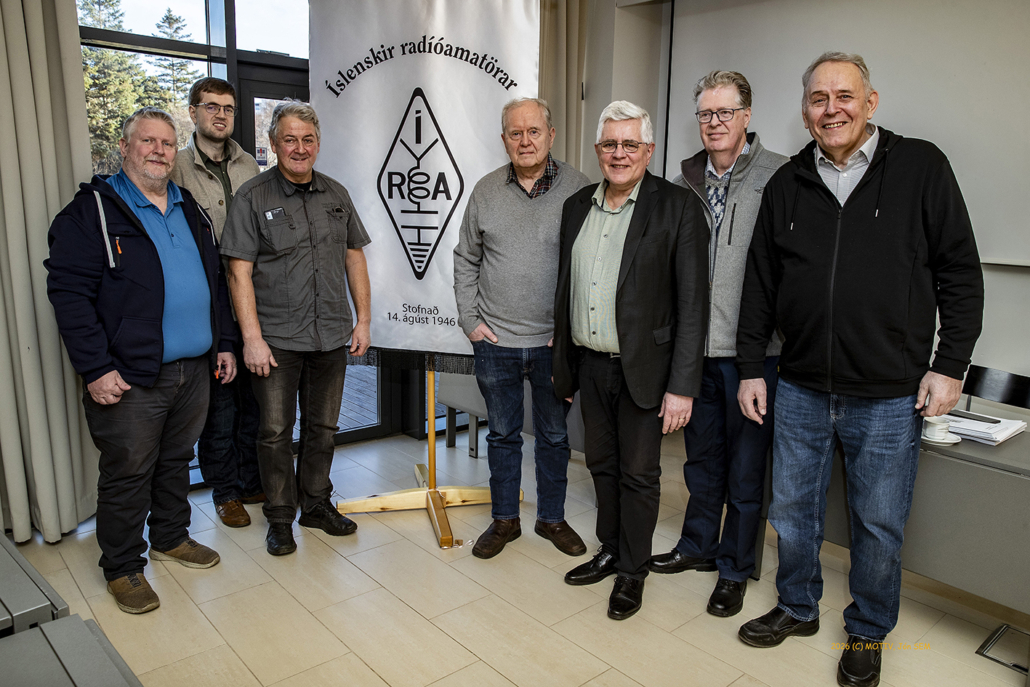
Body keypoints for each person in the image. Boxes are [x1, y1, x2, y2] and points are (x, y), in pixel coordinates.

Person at [734, 52, 984, 687]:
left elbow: (960, 272)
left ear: (870, 103)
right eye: (818, 99)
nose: (832, 109)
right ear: (804, 111)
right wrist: (751, 367)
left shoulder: (921, 166)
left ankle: (868, 631)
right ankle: (797, 606)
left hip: (889, 393)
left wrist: (950, 365)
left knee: (878, 523)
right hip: (800, 386)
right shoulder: (787, 182)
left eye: (844, 96)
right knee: (793, 514)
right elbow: (759, 284)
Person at [46, 107, 234, 614]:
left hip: (193, 368)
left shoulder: (189, 207)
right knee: (128, 471)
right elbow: (69, 296)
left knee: (175, 461)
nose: (158, 151)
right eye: (147, 141)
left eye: (167, 143)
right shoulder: (90, 213)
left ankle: (171, 537)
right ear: (125, 147)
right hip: (129, 374)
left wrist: (223, 343)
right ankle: (123, 566)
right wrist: (95, 368)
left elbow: (215, 284)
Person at [552, 101, 709, 620]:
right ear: (598, 149)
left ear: (649, 150)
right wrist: (564, 367)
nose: (619, 154)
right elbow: (565, 290)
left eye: (630, 144)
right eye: (610, 144)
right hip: (590, 364)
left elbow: (693, 304)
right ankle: (611, 548)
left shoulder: (678, 207)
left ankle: (633, 571)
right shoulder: (577, 205)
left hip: (647, 370)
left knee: (638, 474)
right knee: (600, 464)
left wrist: (682, 386)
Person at [650, 71, 787, 618]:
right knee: (701, 461)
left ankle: (735, 567)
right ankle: (698, 546)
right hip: (694, 353)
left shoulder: (780, 176)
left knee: (747, 470)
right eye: (706, 114)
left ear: (746, 116)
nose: (714, 123)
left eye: (725, 112)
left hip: (756, 356)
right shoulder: (683, 182)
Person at [220, 101, 372, 556]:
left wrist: (363, 319)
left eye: (307, 140)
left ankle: (317, 505)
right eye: (290, 139)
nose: (299, 148)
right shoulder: (252, 197)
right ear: (273, 144)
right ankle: (281, 517)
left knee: (323, 428)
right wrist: (251, 339)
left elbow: (354, 257)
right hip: (277, 341)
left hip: (330, 335)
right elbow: (238, 273)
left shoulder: (336, 194)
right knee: (274, 433)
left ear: (318, 144)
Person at [453, 98, 590, 560]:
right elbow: (466, 257)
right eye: (516, 133)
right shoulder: (486, 191)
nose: (525, 141)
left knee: (554, 437)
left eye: (534, 131)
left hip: (555, 343)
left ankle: (551, 518)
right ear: (504, 140)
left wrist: (571, 328)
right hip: (497, 342)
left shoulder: (580, 189)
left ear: (551, 135)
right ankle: (505, 519)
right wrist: (470, 320)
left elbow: (592, 264)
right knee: (502, 435)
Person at [170, 76, 263, 528]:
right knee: (220, 405)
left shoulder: (250, 165)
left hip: (253, 295)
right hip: (207, 299)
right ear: (193, 112)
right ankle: (224, 491)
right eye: (211, 106)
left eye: (227, 108)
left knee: (254, 400)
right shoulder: (176, 167)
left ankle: (250, 479)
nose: (220, 115)